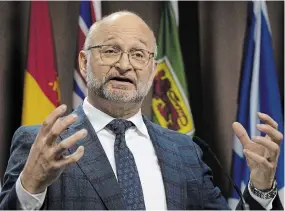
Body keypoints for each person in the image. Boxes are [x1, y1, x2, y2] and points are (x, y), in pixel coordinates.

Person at [0, 11, 283, 210]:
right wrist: (30, 187)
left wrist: (260, 186)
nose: (124, 65)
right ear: (84, 61)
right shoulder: (43, 143)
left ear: (153, 70)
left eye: (138, 54)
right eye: (110, 50)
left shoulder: (184, 150)